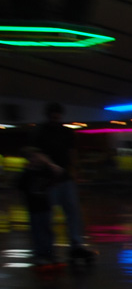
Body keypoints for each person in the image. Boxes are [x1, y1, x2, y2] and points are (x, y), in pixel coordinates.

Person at [31, 103, 95, 261]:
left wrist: (75, 172)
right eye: (53, 114)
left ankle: (76, 245)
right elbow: (35, 153)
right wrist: (50, 165)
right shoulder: (40, 131)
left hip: (65, 179)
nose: (56, 117)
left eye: (57, 114)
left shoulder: (66, 132)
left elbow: (72, 153)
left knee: (73, 213)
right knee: (49, 216)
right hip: (47, 180)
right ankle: (48, 249)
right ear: (49, 115)